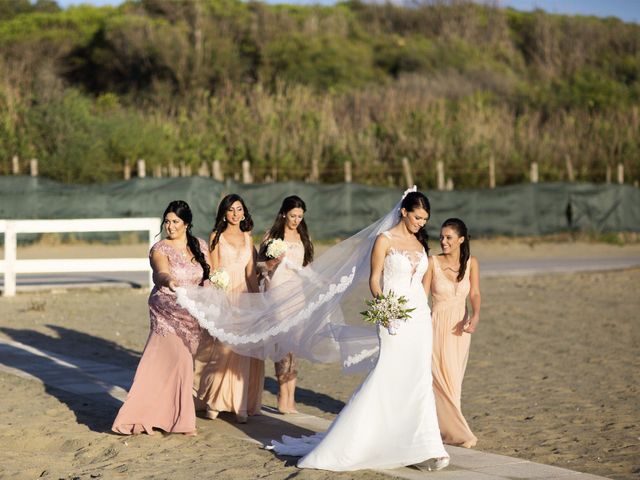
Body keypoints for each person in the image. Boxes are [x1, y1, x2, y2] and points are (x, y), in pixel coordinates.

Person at [269, 191, 450, 471]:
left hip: (419, 319)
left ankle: (424, 446)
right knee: (386, 373)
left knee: (418, 378)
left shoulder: (419, 241)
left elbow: (423, 281)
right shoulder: (384, 240)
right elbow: (374, 279)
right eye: (417, 217)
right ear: (404, 212)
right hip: (391, 316)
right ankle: (355, 440)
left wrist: (422, 307)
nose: (421, 224)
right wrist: (386, 309)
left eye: (425, 220)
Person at [112, 200, 211, 436]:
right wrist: (170, 281)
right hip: (166, 308)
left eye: (175, 221)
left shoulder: (200, 246)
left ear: (186, 223)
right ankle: (175, 420)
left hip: (193, 312)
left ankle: (170, 416)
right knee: (169, 363)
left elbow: (208, 275)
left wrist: (212, 289)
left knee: (180, 366)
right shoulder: (160, 248)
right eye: (167, 221)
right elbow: (160, 273)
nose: (170, 226)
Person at [192, 194, 264, 424]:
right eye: (231, 210)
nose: (235, 214)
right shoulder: (216, 236)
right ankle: (214, 401)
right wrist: (217, 295)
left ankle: (239, 405)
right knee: (221, 349)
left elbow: (251, 273)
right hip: (223, 296)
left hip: (244, 297)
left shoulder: (247, 237)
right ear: (224, 212)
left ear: (244, 212)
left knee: (242, 350)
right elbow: (212, 270)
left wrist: (259, 302)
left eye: (239, 209)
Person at [257, 195, 314, 414]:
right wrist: (272, 262)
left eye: (300, 216)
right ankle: (282, 395)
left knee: (295, 347)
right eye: (293, 216)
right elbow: (259, 266)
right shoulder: (272, 236)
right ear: (284, 214)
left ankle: (291, 398)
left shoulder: (303, 236)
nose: (296, 220)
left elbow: (306, 266)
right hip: (277, 295)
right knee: (283, 345)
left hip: (296, 295)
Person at [429, 218, 480, 448]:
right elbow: (421, 296)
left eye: (449, 237)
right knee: (439, 377)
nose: (443, 241)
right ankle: (457, 432)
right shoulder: (432, 262)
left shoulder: (471, 263)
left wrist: (476, 314)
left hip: (461, 328)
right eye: (441, 237)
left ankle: (447, 427)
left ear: (461, 239)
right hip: (437, 326)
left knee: (455, 380)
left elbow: (475, 294)